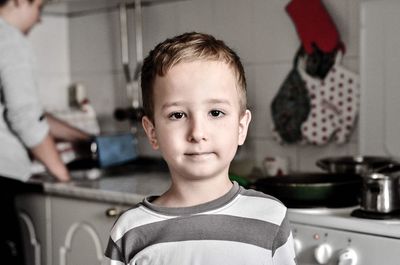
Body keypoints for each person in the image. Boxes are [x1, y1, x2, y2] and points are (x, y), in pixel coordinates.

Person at [103, 32, 296, 265]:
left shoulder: (270, 217)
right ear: (152, 132)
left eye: (216, 112)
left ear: (241, 127)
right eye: (177, 115)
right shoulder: (130, 231)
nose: (197, 133)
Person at [0, 0, 91, 263]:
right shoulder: (10, 40)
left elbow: (26, 111)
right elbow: (23, 116)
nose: (39, 19)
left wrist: (83, 138)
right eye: (38, 7)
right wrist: (63, 175)